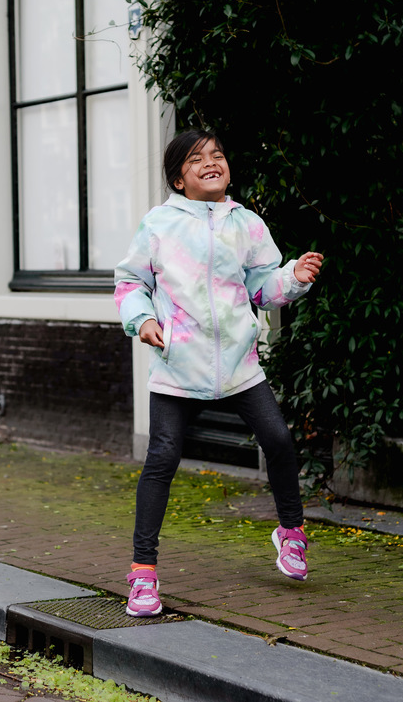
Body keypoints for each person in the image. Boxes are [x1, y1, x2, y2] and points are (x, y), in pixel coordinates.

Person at [114, 129, 325, 617]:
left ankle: (291, 534)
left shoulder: (246, 224)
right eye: (195, 159)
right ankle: (143, 574)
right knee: (162, 459)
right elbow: (130, 282)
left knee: (278, 441)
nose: (211, 162)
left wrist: (292, 278)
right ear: (178, 179)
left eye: (217, 155)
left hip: (238, 363)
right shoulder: (158, 225)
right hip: (176, 365)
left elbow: (260, 287)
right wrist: (143, 321)